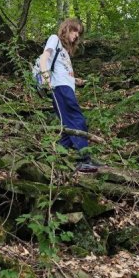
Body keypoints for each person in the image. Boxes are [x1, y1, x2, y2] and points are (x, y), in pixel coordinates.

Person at [39, 18, 99, 173]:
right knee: (77, 119)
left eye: (79, 33)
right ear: (66, 28)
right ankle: (83, 159)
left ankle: (53, 158)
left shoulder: (65, 51)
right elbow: (44, 57)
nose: (77, 35)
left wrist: (76, 80)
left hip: (66, 87)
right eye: (74, 30)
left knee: (68, 126)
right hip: (60, 88)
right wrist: (45, 76)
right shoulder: (54, 39)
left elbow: (62, 71)